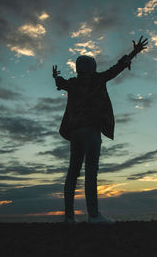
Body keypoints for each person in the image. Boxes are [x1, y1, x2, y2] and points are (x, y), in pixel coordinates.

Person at [52, 36, 148, 224]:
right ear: (92, 67)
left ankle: (69, 217)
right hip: (91, 131)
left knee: (72, 172)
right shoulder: (98, 79)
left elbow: (60, 82)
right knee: (90, 172)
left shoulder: (72, 83)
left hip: (75, 132)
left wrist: (55, 76)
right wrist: (135, 52)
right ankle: (93, 215)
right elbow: (117, 68)